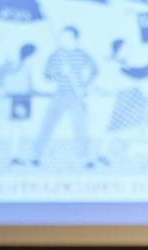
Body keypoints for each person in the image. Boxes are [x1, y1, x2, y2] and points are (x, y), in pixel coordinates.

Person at [31, 26, 98, 168]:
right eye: (62, 37)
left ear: (74, 38)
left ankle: (84, 158)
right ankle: (36, 155)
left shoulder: (82, 55)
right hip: (60, 94)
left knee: (80, 126)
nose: (63, 40)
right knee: (48, 124)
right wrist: (60, 72)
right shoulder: (57, 55)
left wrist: (85, 85)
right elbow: (47, 75)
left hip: (76, 95)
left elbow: (94, 70)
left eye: (66, 37)